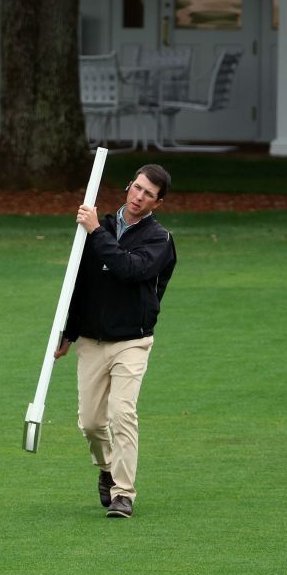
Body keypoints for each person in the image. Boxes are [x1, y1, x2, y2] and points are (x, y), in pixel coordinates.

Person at [54, 164, 177, 519]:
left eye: (148, 194)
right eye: (136, 188)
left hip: (132, 341)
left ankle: (124, 493)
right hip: (91, 340)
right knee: (91, 423)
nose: (139, 197)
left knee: (122, 413)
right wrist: (68, 332)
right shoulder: (101, 228)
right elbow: (80, 284)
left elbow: (130, 269)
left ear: (159, 203)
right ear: (129, 187)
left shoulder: (159, 240)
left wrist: (95, 233)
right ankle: (107, 468)